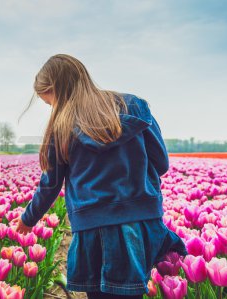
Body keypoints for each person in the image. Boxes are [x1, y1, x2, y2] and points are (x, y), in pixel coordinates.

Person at [15, 54, 188, 299]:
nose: (53, 108)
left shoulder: (62, 125)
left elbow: (51, 184)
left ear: (55, 89)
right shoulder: (135, 107)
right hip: (140, 222)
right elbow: (160, 163)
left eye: (49, 102)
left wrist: (29, 218)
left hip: (92, 228)